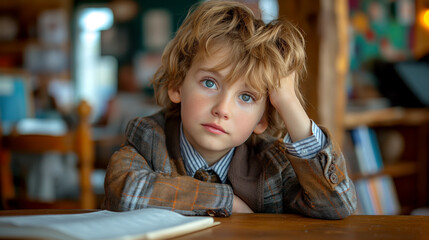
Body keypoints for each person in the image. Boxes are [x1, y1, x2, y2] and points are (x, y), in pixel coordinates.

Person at [103, 0, 357, 219]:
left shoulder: (271, 165)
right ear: (177, 85)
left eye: (246, 97)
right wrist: (226, 202)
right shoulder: (148, 138)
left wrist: (289, 102)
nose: (222, 109)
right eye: (209, 83)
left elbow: (336, 205)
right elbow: (125, 192)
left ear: (262, 119)